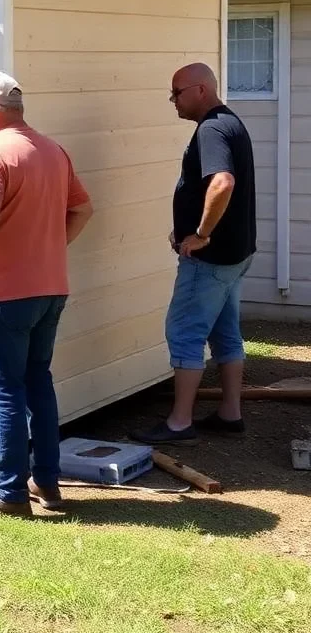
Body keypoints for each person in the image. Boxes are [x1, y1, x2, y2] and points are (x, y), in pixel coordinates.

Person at [0, 72, 93, 517]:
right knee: (38, 383)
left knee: (5, 390)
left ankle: (11, 492)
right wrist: (50, 247)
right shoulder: (52, 150)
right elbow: (83, 209)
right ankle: (47, 485)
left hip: (7, 294)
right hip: (51, 289)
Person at [132, 62, 256, 446]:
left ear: (201, 90)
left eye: (177, 93)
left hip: (212, 259)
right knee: (226, 332)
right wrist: (186, 222)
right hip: (236, 255)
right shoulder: (231, 122)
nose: (173, 101)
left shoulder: (213, 129)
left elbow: (223, 182)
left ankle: (180, 422)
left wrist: (201, 233)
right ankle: (230, 413)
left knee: (184, 331)